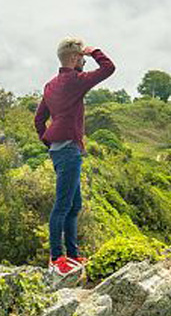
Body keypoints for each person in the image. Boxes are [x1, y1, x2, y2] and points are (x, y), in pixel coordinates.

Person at [34, 38, 116, 277]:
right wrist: (94, 51)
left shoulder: (50, 86)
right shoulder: (75, 81)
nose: (84, 60)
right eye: (82, 57)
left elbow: (39, 120)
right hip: (69, 150)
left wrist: (48, 141)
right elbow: (108, 68)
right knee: (62, 206)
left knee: (74, 204)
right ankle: (57, 258)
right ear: (73, 58)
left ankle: (72, 255)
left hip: (60, 150)